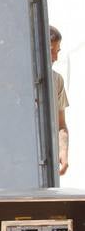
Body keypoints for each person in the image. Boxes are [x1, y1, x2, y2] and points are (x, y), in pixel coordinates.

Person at [51, 25, 69, 176]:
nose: (55, 58)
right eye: (52, 50)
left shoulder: (57, 80)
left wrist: (63, 152)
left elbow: (61, 125)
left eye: (57, 51)